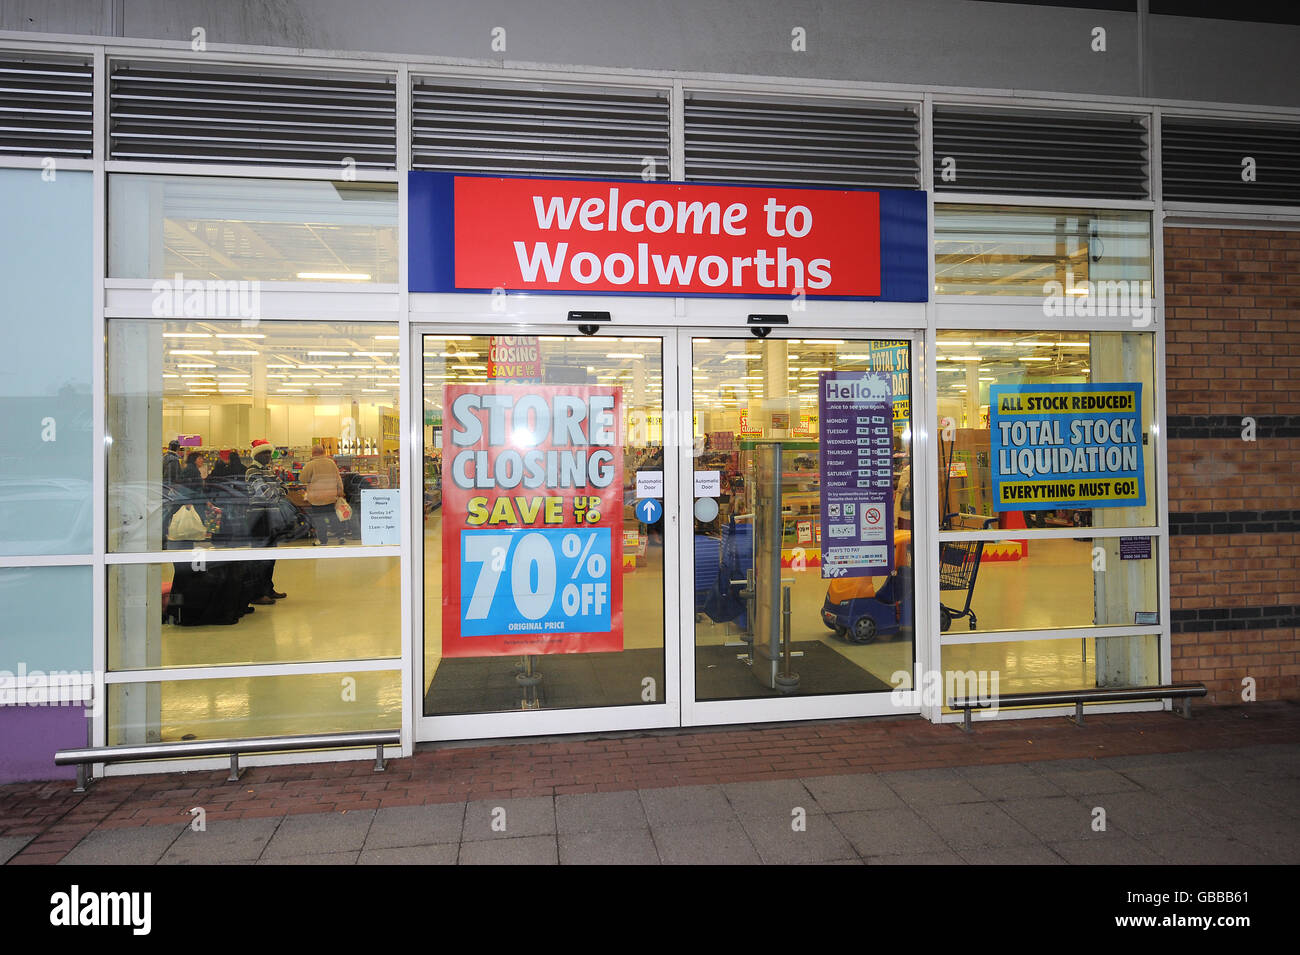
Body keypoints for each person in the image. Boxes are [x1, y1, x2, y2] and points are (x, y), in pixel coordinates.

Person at [245, 439, 287, 604]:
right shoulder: (251, 471)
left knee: (271, 556)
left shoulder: (268, 471)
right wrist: (277, 491)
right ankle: (256, 594)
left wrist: (276, 491)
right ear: (257, 454)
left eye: (269, 452)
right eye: (264, 452)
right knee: (259, 558)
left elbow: (285, 488)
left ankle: (268, 589)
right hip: (258, 518)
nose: (268, 456)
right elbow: (266, 493)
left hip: (271, 517)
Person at [299, 444, 346, 544]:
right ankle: (340, 536)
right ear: (323, 452)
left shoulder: (310, 465)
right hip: (330, 496)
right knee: (333, 517)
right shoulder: (331, 463)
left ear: (313, 453)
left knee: (319, 520)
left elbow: (302, 479)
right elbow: (338, 479)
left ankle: (322, 540)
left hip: (316, 498)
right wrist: (340, 491)